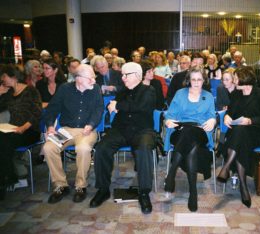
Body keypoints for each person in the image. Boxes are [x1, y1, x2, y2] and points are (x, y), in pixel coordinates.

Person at [90, 62, 157, 214]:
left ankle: (144, 192)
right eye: (122, 74)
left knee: (144, 149)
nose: (123, 77)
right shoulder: (122, 91)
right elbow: (124, 105)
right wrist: (116, 105)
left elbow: (140, 106)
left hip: (142, 130)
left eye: (126, 75)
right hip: (121, 129)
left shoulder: (149, 90)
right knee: (101, 148)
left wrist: (118, 105)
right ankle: (103, 189)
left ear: (137, 76)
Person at [43, 64, 104, 204]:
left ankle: (80, 186)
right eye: (91, 78)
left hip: (86, 130)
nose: (94, 81)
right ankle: (60, 185)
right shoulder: (64, 89)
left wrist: (91, 124)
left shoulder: (95, 89)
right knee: (49, 147)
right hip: (66, 130)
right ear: (79, 78)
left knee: (83, 148)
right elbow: (52, 109)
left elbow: (99, 110)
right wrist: (50, 127)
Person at [217, 66, 260, 208]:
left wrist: (251, 120)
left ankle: (226, 167)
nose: (234, 81)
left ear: (244, 79)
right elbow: (231, 112)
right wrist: (227, 117)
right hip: (238, 132)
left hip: (255, 131)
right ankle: (243, 186)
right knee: (240, 133)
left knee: (240, 133)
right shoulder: (235, 94)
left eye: (235, 78)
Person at [164, 67, 216, 212]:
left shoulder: (208, 96)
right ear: (188, 80)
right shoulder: (180, 94)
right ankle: (193, 192)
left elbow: (212, 115)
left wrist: (212, 120)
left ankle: (172, 171)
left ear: (204, 80)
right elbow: (170, 114)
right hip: (180, 130)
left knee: (192, 133)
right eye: (193, 79)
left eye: (199, 79)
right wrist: (168, 121)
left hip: (200, 130)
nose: (196, 82)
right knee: (191, 146)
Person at [0, 65, 42, 200]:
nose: (2, 79)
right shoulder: (8, 94)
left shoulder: (31, 91)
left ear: (13, 76)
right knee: (3, 140)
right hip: (13, 129)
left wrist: (23, 127)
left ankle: (7, 180)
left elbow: (37, 113)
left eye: (4, 76)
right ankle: (9, 177)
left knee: (5, 142)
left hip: (30, 130)